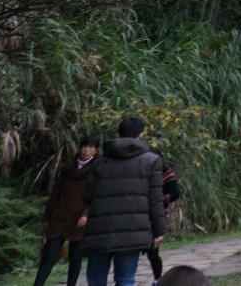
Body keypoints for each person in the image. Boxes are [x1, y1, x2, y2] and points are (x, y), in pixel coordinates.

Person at [83, 117, 165, 286]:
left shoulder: (99, 163)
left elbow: (87, 197)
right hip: (132, 232)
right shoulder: (151, 161)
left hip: (100, 231)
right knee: (125, 280)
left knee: (95, 281)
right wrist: (158, 231)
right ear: (141, 135)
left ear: (118, 134)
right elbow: (155, 200)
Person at [34, 134, 98, 286]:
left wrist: (86, 214)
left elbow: (96, 195)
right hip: (60, 216)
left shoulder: (97, 169)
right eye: (84, 146)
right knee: (49, 255)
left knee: (75, 257)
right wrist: (46, 217)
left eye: (91, 147)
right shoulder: (68, 167)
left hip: (79, 220)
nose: (86, 150)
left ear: (95, 151)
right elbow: (55, 193)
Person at [144, 161, 180, 283]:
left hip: (157, 214)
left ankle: (157, 279)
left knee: (153, 251)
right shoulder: (141, 172)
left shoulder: (167, 175)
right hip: (140, 214)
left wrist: (162, 199)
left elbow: (175, 193)